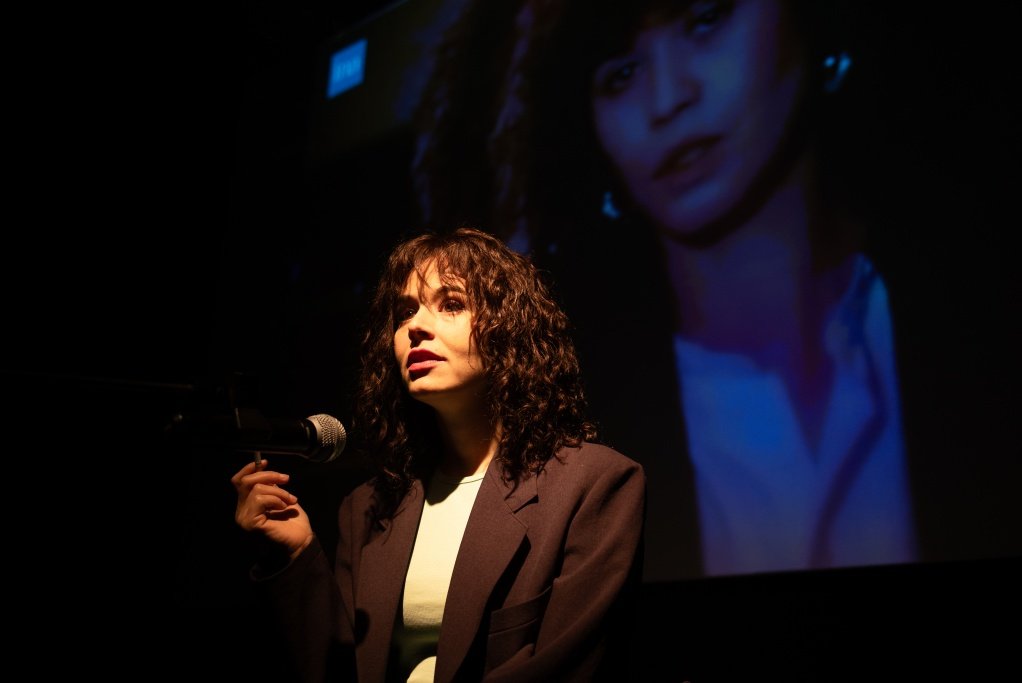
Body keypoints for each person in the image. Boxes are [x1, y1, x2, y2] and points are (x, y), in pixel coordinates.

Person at [412, 0, 1022, 581]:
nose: (669, 97)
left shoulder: (975, 311)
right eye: (621, 73)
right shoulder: (578, 416)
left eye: (706, 19)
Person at [231, 227, 646, 682]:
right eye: (405, 311)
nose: (415, 326)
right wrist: (295, 554)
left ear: (509, 329)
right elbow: (337, 672)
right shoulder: (367, 508)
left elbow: (567, 667)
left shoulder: (596, 483)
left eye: (451, 303)